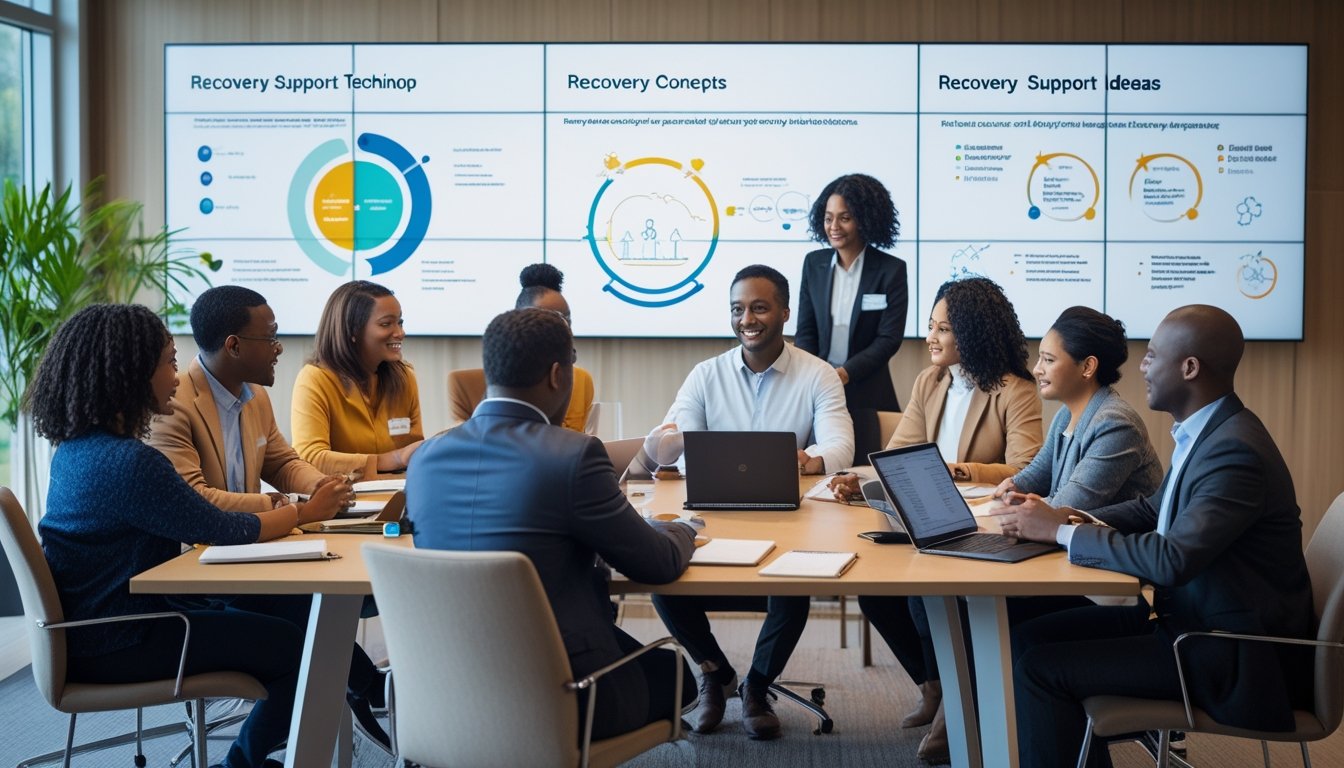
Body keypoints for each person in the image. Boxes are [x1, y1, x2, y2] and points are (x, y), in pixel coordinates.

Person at [1002, 305, 1314, 768]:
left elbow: (1172, 559)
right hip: (1190, 622)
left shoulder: (1234, 452)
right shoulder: (1209, 432)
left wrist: (1063, 532)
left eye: (1151, 356)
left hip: (1230, 652)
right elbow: (1153, 509)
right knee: (1029, 637)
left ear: (1189, 368)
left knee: (1040, 671)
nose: (1141, 367)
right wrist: (1067, 518)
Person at [30, 303, 305, 768]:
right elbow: (225, 530)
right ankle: (238, 765)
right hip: (124, 638)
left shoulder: (76, 450)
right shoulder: (131, 464)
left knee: (286, 610)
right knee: (302, 650)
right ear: (131, 372)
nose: (177, 377)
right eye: (169, 362)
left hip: (98, 629)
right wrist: (303, 510)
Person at [406, 307, 698, 740]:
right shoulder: (572, 455)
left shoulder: (425, 459)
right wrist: (681, 529)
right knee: (677, 677)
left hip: (446, 691)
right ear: (559, 374)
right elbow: (656, 565)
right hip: (561, 693)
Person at [146, 285, 391, 751]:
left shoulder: (254, 394)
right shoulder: (174, 405)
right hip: (197, 571)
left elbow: (282, 461)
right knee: (306, 624)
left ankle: (361, 688)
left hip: (250, 551)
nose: (279, 348)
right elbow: (195, 501)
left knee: (315, 606)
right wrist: (289, 509)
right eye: (271, 337)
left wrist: (321, 486)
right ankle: (363, 687)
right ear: (234, 345)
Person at [635, 264, 854, 740]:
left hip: (786, 520)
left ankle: (757, 685)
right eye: (737, 309)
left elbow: (840, 448)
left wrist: (806, 459)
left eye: (758, 307)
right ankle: (714, 673)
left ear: (784, 313)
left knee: (794, 586)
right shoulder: (705, 374)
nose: (746, 318)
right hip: (714, 518)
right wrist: (666, 443)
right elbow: (672, 442)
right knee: (661, 575)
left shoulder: (817, 375)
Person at [831, 275, 1043, 760]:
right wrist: (858, 477)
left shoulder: (1015, 389)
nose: (930, 337)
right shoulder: (930, 381)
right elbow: (900, 454)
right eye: (930, 325)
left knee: (929, 596)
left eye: (943, 328)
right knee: (876, 593)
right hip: (924, 516)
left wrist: (961, 470)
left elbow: (1028, 468)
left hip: (980, 524)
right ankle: (936, 687)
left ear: (971, 332)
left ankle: (957, 702)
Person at [991, 306, 1163, 510]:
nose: (1037, 370)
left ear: (1088, 367)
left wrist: (1015, 503)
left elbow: (1069, 507)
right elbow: (1039, 474)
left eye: (1048, 360)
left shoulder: (1117, 424)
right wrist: (1011, 486)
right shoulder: (1065, 414)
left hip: (1112, 539)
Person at [794, 173, 908, 461]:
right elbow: (805, 331)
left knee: (865, 471)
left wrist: (845, 373)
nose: (834, 227)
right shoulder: (813, 264)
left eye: (844, 218)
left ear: (866, 219)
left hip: (867, 390)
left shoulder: (891, 270)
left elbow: (889, 339)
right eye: (828, 217)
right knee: (812, 467)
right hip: (817, 388)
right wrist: (815, 374)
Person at [291, 280, 425, 477]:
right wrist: (390, 459)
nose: (400, 333)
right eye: (386, 324)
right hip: (345, 501)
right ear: (353, 331)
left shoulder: (405, 377)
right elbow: (310, 458)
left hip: (399, 495)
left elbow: (413, 452)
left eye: (400, 322)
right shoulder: (315, 379)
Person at [515, 263, 595, 432]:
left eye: (567, 321)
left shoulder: (581, 380)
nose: (565, 332)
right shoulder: (505, 382)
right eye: (548, 324)